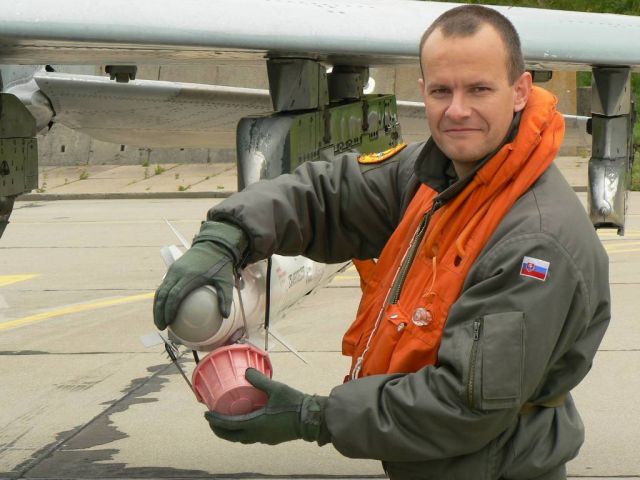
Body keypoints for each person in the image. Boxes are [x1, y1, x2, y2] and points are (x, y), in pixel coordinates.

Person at [153, 5, 610, 480]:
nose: (457, 110)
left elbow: (465, 405)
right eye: (442, 91)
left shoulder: (534, 243)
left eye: (479, 89)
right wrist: (228, 234)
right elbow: (330, 195)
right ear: (422, 91)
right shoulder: (439, 177)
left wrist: (315, 417)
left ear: (519, 91)